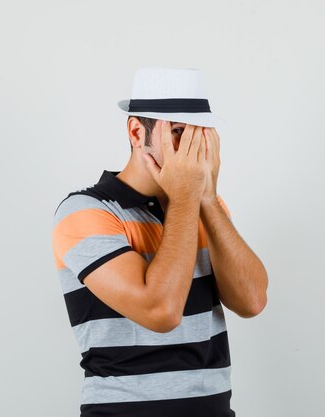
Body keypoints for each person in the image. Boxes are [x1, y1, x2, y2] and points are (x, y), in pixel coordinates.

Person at [51, 67, 268, 417]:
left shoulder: (202, 206)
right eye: (179, 133)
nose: (192, 152)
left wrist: (207, 200)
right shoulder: (84, 212)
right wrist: (186, 198)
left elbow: (252, 301)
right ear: (137, 132)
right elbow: (161, 311)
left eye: (200, 135)